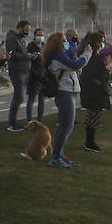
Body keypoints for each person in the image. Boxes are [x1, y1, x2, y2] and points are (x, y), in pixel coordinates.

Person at [42, 31, 88, 168]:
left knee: (67, 126)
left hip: (69, 92)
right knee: (66, 126)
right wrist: (87, 53)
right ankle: (55, 158)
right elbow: (76, 65)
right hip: (65, 93)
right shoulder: (57, 57)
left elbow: (72, 56)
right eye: (64, 41)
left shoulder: (58, 56)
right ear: (58, 44)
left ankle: (60, 154)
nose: (66, 43)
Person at [78, 31, 112, 153]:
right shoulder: (94, 57)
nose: (103, 44)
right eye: (101, 41)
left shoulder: (91, 55)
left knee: (91, 115)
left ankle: (89, 141)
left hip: (91, 91)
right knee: (94, 116)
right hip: (94, 92)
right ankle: (90, 142)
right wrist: (106, 70)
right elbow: (97, 75)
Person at [5, 19, 32, 132]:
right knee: (18, 97)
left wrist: (29, 56)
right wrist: (26, 56)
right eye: (26, 30)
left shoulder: (21, 40)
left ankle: (14, 122)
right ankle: (12, 123)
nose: (27, 32)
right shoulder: (12, 38)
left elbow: (23, 54)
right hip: (17, 71)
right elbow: (12, 54)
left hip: (25, 71)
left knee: (19, 97)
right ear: (20, 28)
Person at [25, 29, 47, 124]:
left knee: (42, 99)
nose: (40, 37)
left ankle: (40, 119)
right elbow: (27, 58)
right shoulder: (31, 45)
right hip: (33, 75)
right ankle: (29, 120)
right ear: (34, 36)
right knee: (32, 98)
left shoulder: (45, 46)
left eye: (42, 35)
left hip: (43, 75)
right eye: (39, 35)